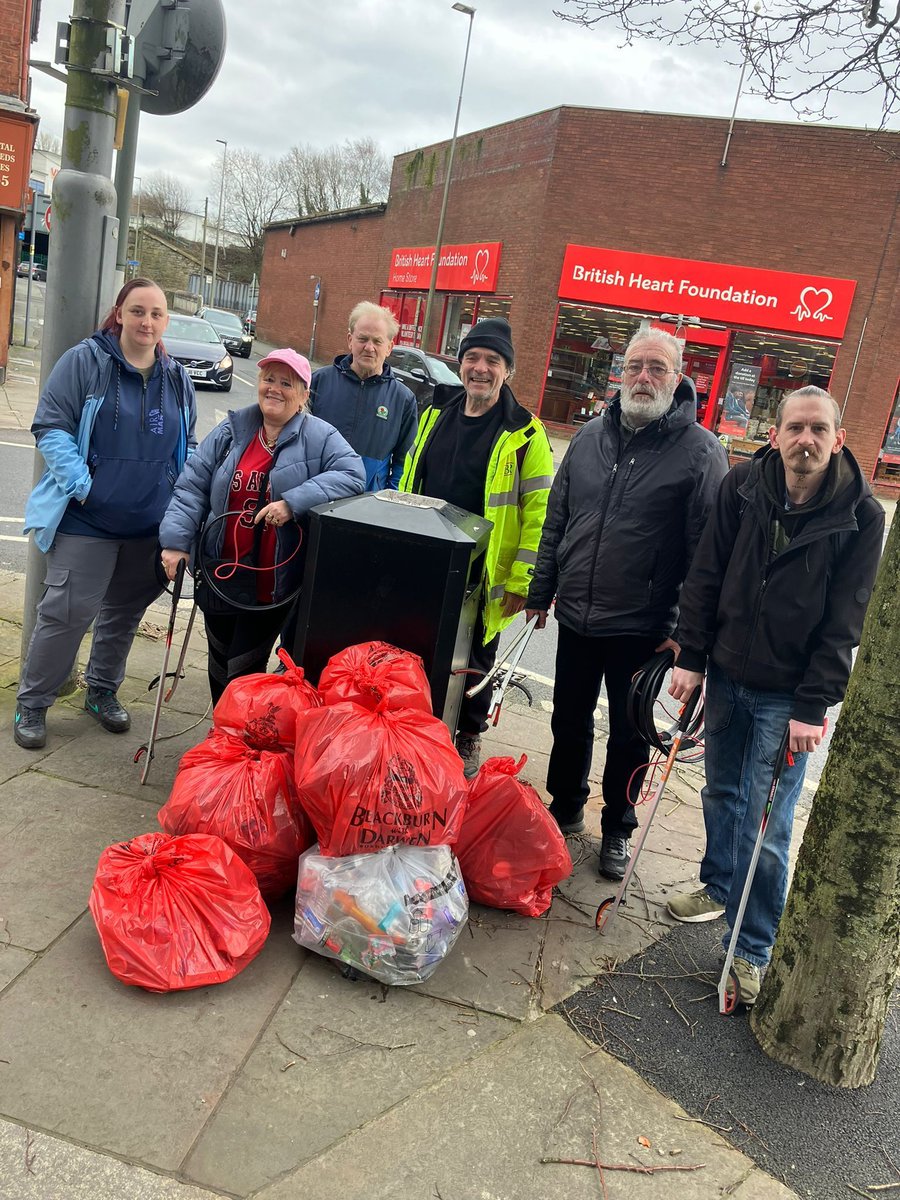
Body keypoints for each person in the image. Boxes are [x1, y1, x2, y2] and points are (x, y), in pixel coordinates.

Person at [666, 386, 884, 1006]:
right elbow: (706, 573)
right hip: (729, 674)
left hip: (787, 698)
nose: (805, 440)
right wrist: (693, 654)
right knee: (721, 792)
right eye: (795, 428)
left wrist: (815, 706)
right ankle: (716, 887)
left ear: (838, 438)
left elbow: (846, 620)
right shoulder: (741, 487)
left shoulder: (860, 516)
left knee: (768, 827)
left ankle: (752, 948)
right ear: (775, 435)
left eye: (818, 429)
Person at [526, 328, 729, 880]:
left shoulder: (701, 453)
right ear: (620, 371)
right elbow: (557, 519)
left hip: (643, 626)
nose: (643, 377)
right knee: (568, 722)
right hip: (577, 615)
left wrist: (688, 634)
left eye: (657, 368)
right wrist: (542, 591)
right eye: (635, 365)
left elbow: (706, 555)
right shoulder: (590, 436)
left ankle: (618, 825)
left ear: (679, 378)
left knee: (631, 733)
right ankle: (565, 806)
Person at [15, 278, 197, 750]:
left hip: (149, 524)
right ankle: (33, 704)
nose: (146, 322)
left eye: (156, 314)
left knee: (123, 614)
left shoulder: (175, 376)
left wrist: (179, 496)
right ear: (119, 313)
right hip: (88, 519)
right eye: (137, 311)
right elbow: (50, 426)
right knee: (67, 613)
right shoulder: (86, 361)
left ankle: (102, 691)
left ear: (165, 322)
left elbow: (189, 443)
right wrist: (84, 487)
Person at [159, 349, 365, 701]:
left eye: (287, 383)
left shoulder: (320, 436)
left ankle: (238, 737)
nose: (275, 389)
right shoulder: (233, 429)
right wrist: (176, 542)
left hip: (272, 582)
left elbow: (352, 475)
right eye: (269, 379)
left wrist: (292, 502)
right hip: (220, 571)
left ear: (303, 394)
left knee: (244, 663)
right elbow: (192, 486)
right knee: (220, 656)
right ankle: (224, 733)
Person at [399, 317, 553, 777]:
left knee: (474, 662)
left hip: (483, 573)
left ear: (507, 370)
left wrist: (524, 581)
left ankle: (468, 737)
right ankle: (414, 727)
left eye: (491, 361)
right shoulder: (435, 410)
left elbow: (538, 514)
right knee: (418, 649)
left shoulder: (526, 432)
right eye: (472, 358)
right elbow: (411, 476)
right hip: (428, 560)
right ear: (460, 364)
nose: (480, 369)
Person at [309, 301, 418, 491]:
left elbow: (403, 461)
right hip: (316, 497)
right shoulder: (318, 381)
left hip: (367, 507)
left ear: (389, 347)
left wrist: (388, 499)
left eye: (377, 341)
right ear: (350, 340)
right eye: (363, 339)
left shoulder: (403, 399)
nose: (369, 347)